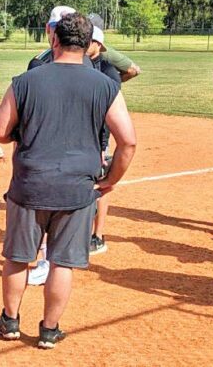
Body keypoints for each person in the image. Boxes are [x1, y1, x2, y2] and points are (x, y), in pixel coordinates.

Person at [0, 12, 136, 349]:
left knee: (17, 257)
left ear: (54, 39)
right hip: (78, 187)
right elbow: (128, 141)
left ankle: (10, 320)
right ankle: (49, 329)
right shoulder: (105, 85)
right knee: (62, 262)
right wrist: (110, 180)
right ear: (89, 45)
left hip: (30, 182)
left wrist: (21, 135)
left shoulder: (27, 80)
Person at [28, 9, 141, 82]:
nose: (85, 42)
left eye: (90, 38)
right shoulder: (41, 60)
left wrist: (107, 83)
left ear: (99, 44)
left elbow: (133, 70)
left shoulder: (106, 58)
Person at [86, 25, 122, 255]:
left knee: (103, 185)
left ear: (97, 45)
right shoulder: (81, 65)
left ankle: (98, 235)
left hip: (99, 136)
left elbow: (110, 114)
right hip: (80, 134)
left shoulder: (108, 71)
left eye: (88, 41)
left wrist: (101, 145)